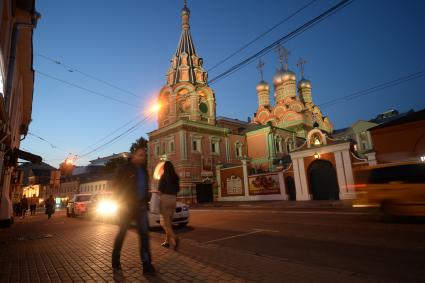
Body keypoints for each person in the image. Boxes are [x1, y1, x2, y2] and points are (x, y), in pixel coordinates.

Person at [111, 145, 156, 275]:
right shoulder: (124, 169)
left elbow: (145, 188)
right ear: (134, 155)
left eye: (145, 155)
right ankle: (115, 261)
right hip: (126, 207)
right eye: (141, 155)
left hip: (141, 207)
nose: (143, 157)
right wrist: (121, 203)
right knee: (122, 233)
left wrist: (147, 197)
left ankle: (147, 265)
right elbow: (116, 188)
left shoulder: (143, 170)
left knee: (144, 236)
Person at [158, 161, 180, 250]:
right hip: (173, 199)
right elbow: (178, 189)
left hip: (165, 198)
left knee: (164, 223)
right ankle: (167, 242)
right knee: (168, 222)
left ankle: (174, 238)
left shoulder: (163, 176)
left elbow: (160, 189)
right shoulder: (176, 177)